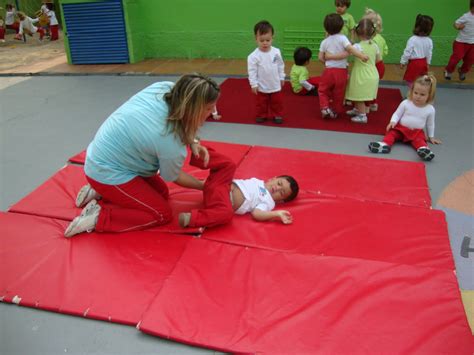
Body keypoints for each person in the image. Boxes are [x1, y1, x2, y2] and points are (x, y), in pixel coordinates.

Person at [64, 74, 220, 237]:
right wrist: (206, 186)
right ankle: (97, 217)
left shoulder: (165, 87)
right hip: (105, 171)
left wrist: (194, 140)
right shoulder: (170, 143)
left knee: (161, 193)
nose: (210, 113)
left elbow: (182, 122)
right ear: (192, 107)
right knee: (160, 214)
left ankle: (99, 191)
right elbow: (175, 176)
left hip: (106, 155)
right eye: (208, 108)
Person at [178, 148, 299, 229]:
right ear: (273, 178)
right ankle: (198, 152)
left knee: (226, 215)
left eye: (281, 193)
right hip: (222, 184)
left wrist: (276, 214)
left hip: (221, 202)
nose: (277, 189)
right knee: (230, 165)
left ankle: (191, 219)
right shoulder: (258, 181)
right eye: (279, 183)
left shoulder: (269, 201)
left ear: (280, 201)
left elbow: (257, 214)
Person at [368, 74, 441, 161]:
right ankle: (384, 145)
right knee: (391, 133)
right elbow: (397, 114)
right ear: (412, 91)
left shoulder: (430, 109)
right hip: (401, 129)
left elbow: (430, 124)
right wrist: (393, 122)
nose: (418, 96)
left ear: (429, 95)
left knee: (420, 140)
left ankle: (423, 150)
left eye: (422, 94)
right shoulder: (406, 103)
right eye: (415, 93)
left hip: (416, 132)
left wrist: (431, 137)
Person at [318, 13, 368, 119]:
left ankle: (325, 107)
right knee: (339, 93)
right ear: (341, 27)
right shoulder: (343, 38)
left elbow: (321, 58)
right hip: (341, 72)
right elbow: (350, 49)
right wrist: (361, 56)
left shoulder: (324, 42)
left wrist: (328, 62)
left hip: (329, 71)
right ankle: (335, 111)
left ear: (325, 28)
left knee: (323, 90)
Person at [247, 20, 285, 124]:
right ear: (256, 39)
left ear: (272, 38)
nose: (265, 43)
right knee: (261, 103)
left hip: (275, 83)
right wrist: (253, 84)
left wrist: (282, 77)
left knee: (277, 102)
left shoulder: (276, 52)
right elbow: (252, 71)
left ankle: (277, 114)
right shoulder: (253, 56)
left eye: (268, 40)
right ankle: (261, 115)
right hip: (261, 85)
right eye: (262, 40)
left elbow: (280, 65)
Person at [345, 18, 381, 124]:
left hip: (361, 74)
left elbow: (348, 53)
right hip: (373, 73)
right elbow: (378, 59)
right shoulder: (375, 45)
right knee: (359, 93)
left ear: (357, 33)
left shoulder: (357, 46)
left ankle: (362, 116)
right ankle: (357, 110)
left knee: (359, 95)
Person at [362, 8, 388, 112]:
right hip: (380, 65)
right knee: (373, 86)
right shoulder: (381, 38)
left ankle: (366, 106)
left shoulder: (370, 41)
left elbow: (368, 54)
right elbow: (385, 51)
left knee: (367, 86)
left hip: (372, 66)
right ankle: (373, 103)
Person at [400, 14, 434, 88]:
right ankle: (418, 93)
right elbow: (429, 53)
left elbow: (407, 52)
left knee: (411, 80)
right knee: (421, 81)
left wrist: (403, 61)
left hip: (414, 64)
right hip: (423, 62)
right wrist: (428, 62)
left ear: (417, 26)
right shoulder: (429, 41)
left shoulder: (413, 39)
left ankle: (412, 94)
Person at [444, 0, 474, 81]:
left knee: (471, 59)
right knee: (456, 57)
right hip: (460, 42)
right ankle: (448, 71)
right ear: (472, 7)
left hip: (472, 44)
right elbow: (456, 23)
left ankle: (462, 71)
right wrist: (458, 27)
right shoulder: (466, 16)